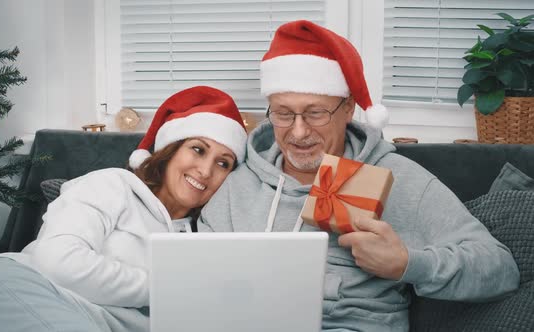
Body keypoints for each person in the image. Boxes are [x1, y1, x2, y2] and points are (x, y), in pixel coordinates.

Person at [197, 20, 519, 331]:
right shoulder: (237, 186)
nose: (298, 131)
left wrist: (406, 263)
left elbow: (499, 268)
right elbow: (201, 283)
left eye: (315, 113)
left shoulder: (396, 178)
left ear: (348, 108)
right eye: (283, 113)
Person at [0, 86, 248, 332]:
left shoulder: (203, 239)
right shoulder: (113, 185)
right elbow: (57, 261)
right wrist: (165, 286)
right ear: (170, 150)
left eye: (224, 163)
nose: (206, 170)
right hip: (17, 288)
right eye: (197, 149)